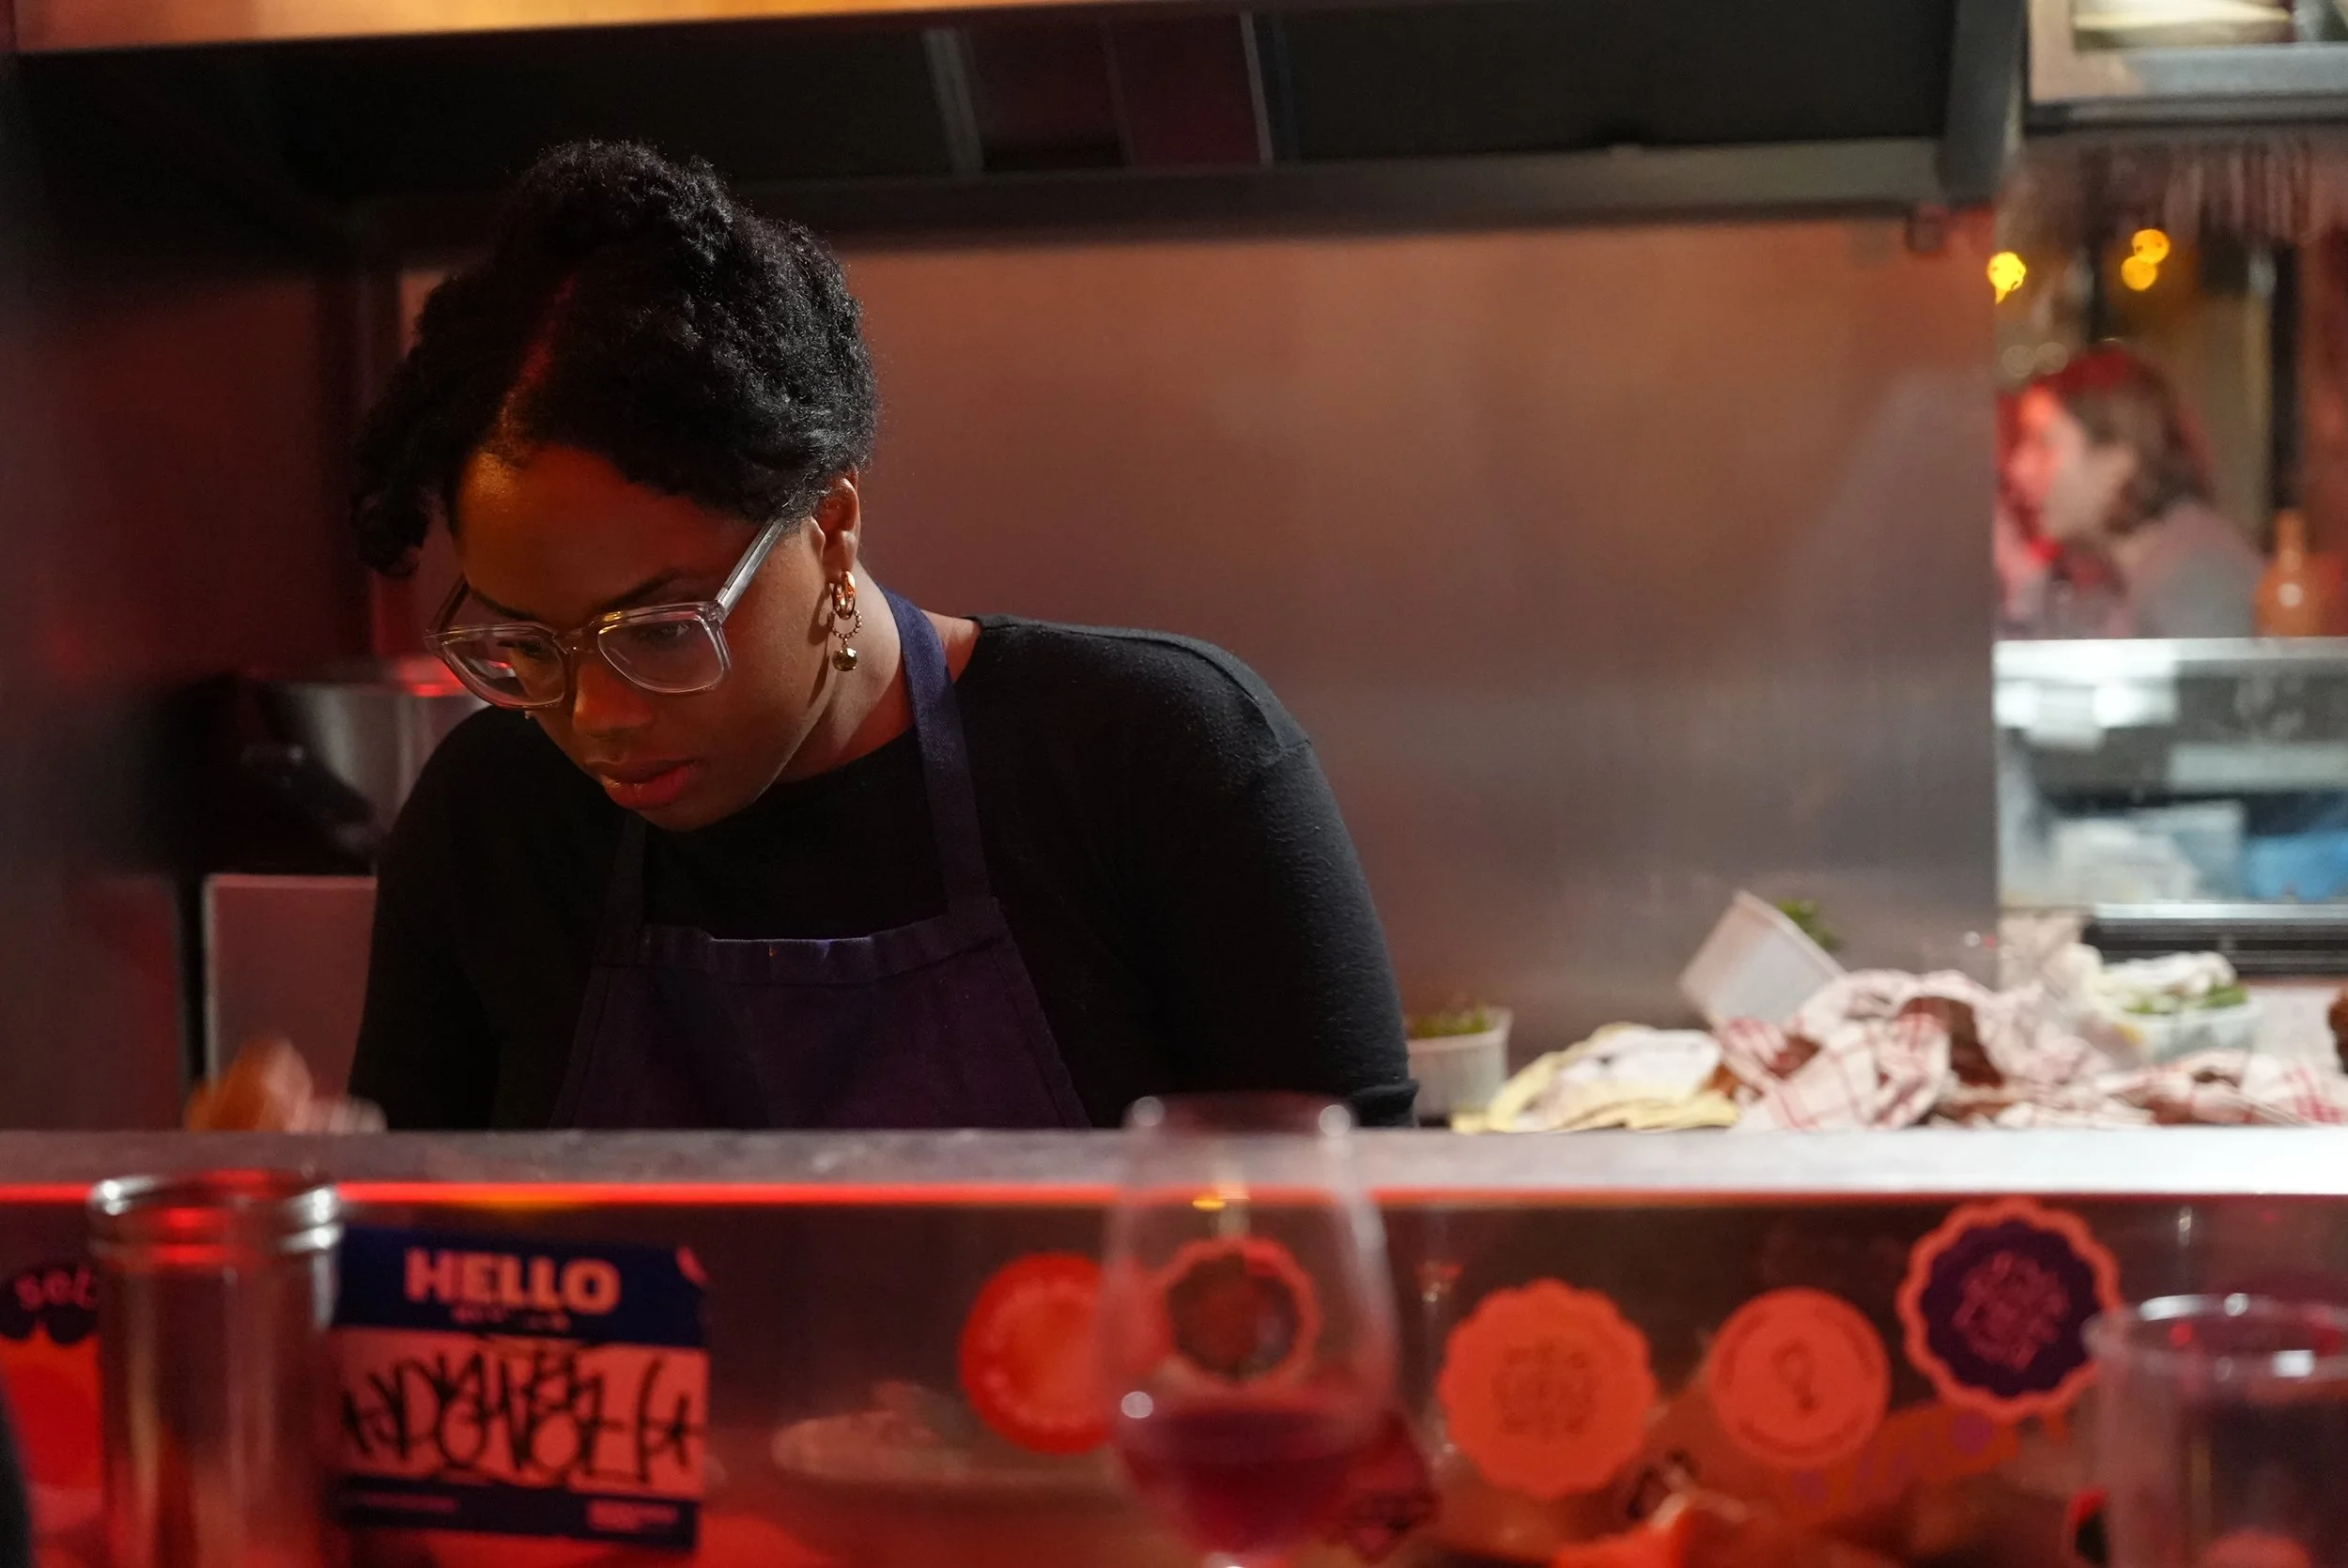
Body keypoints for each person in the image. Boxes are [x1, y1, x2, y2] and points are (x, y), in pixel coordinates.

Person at [202, 142, 1413, 1130]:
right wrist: (306, 1219)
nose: (597, 715)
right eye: (525, 646)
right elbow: (426, 1316)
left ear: (829, 525)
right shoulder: (489, 822)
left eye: (660, 630)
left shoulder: (1156, 755)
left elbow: (1365, 1258)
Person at [2002, 345, 2262, 639]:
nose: (2018, 468)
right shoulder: (2140, 570)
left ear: (2117, 463)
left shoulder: (2193, 576)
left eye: (2043, 445)